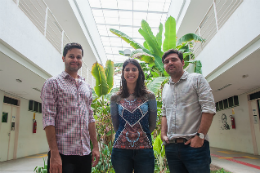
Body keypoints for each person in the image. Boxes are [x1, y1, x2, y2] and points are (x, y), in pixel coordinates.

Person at [41, 42, 100, 173]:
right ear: (63, 58)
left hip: (84, 153)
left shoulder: (87, 87)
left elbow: (90, 118)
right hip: (62, 154)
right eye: (71, 56)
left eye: (78, 57)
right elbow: (48, 119)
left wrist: (95, 146)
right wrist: (54, 154)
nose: (75, 60)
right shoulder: (53, 83)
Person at [161, 49, 216, 173]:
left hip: (194, 146)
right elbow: (164, 112)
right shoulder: (165, 88)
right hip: (172, 147)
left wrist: (200, 136)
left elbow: (209, 108)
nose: (170, 63)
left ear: (182, 62)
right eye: (166, 61)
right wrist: (163, 134)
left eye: (173, 59)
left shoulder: (196, 79)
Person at [110, 59, 157, 173]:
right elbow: (116, 126)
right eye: (127, 69)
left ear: (139, 72)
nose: (130, 72)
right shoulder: (115, 98)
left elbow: (152, 124)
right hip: (121, 151)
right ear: (123, 73)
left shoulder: (149, 96)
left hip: (144, 150)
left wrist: (141, 135)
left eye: (134, 69)